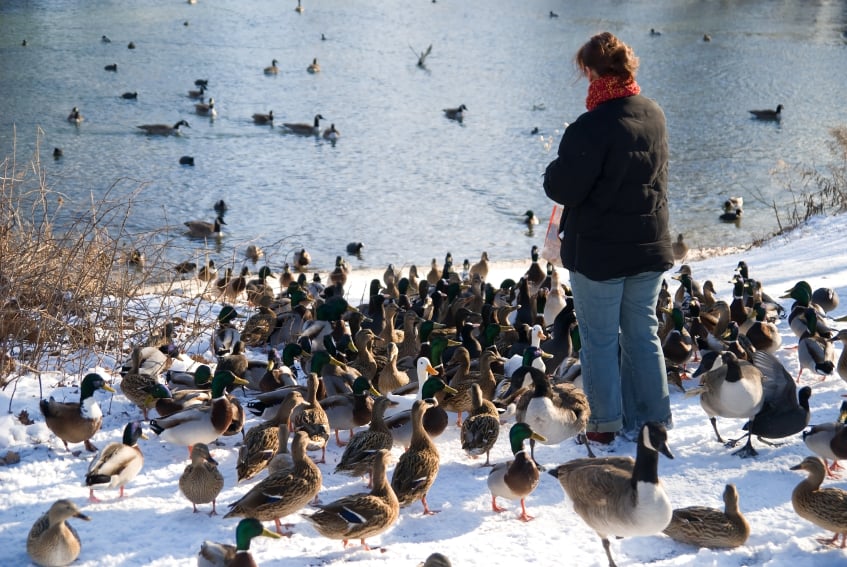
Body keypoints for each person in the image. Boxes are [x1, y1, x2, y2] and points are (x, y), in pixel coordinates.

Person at [543, 32, 673, 444]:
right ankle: (653, 423)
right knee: (643, 334)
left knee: (599, 341)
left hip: (600, 253)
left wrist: (552, 169)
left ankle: (603, 427)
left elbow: (564, 189)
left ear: (591, 71)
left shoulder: (590, 126)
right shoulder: (654, 113)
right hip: (650, 244)